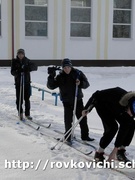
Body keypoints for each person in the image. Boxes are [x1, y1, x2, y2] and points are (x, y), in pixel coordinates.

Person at [82, 87, 135, 163]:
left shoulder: (131, 107)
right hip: (103, 105)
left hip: (119, 109)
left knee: (131, 124)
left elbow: (124, 128)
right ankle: (99, 153)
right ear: (128, 103)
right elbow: (96, 95)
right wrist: (87, 108)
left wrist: (115, 150)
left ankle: (120, 151)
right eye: (131, 112)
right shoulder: (115, 94)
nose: (131, 114)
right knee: (113, 127)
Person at [47, 58, 94, 144]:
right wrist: (51, 76)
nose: (66, 69)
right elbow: (51, 86)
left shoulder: (78, 73)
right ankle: (68, 136)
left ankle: (85, 136)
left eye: (68, 67)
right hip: (66, 101)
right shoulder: (60, 76)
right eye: (64, 68)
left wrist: (80, 83)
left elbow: (86, 84)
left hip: (78, 99)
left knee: (82, 118)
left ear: (71, 66)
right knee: (68, 119)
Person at [11, 48, 38, 120]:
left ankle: (27, 114)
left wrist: (27, 68)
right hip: (19, 83)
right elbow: (12, 72)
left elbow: (35, 67)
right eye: (19, 54)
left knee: (27, 99)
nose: (20, 55)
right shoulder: (14, 61)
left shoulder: (27, 60)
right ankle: (20, 112)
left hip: (26, 83)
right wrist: (18, 71)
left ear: (24, 54)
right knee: (19, 99)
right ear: (17, 54)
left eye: (22, 54)